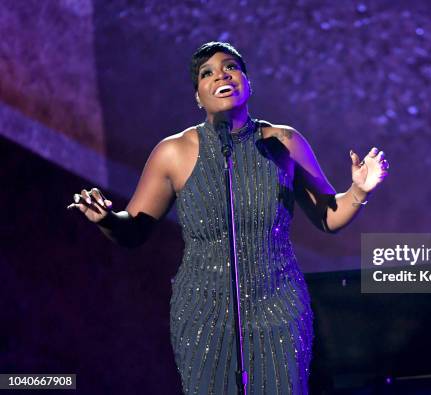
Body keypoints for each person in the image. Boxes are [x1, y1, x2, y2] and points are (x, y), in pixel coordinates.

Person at [68, 41, 389, 394]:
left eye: (231, 67)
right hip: (203, 315)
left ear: (247, 82)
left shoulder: (284, 142)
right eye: (207, 73)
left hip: (279, 306)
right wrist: (107, 219)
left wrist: (359, 191)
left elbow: (328, 217)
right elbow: (134, 231)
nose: (221, 74)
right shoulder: (173, 153)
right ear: (198, 96)